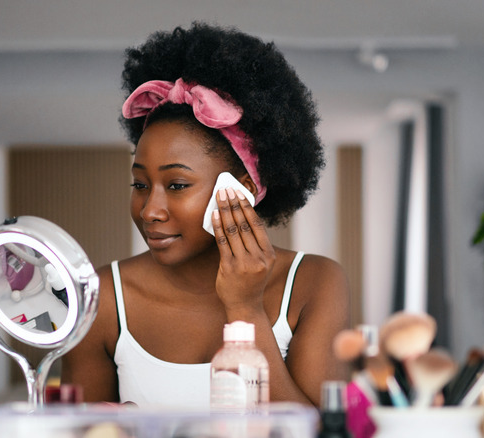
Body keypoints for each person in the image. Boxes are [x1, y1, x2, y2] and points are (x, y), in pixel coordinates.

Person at [61, 22, 349, 408]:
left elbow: (314, 433)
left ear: (241, 190)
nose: (150, 211)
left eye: (177, 185)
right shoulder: (103, 298)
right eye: (140, 184)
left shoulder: (314, 283)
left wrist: (245, 308)